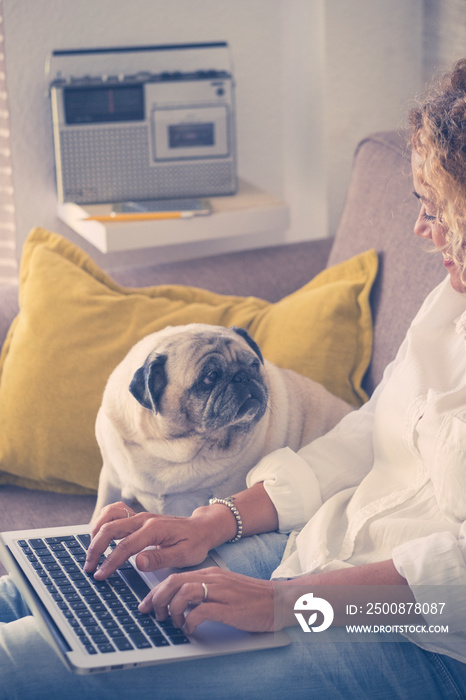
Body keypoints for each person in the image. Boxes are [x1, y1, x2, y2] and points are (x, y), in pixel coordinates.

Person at [3, 60, 466, 699]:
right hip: (316, 550)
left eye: (440, 209)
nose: (421, 228)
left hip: (418, 640)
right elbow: (368, 436)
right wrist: (215, 523)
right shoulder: (450, 301)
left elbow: (450, 594)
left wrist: (286, 604)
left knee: (27, 661)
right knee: (45, 587)